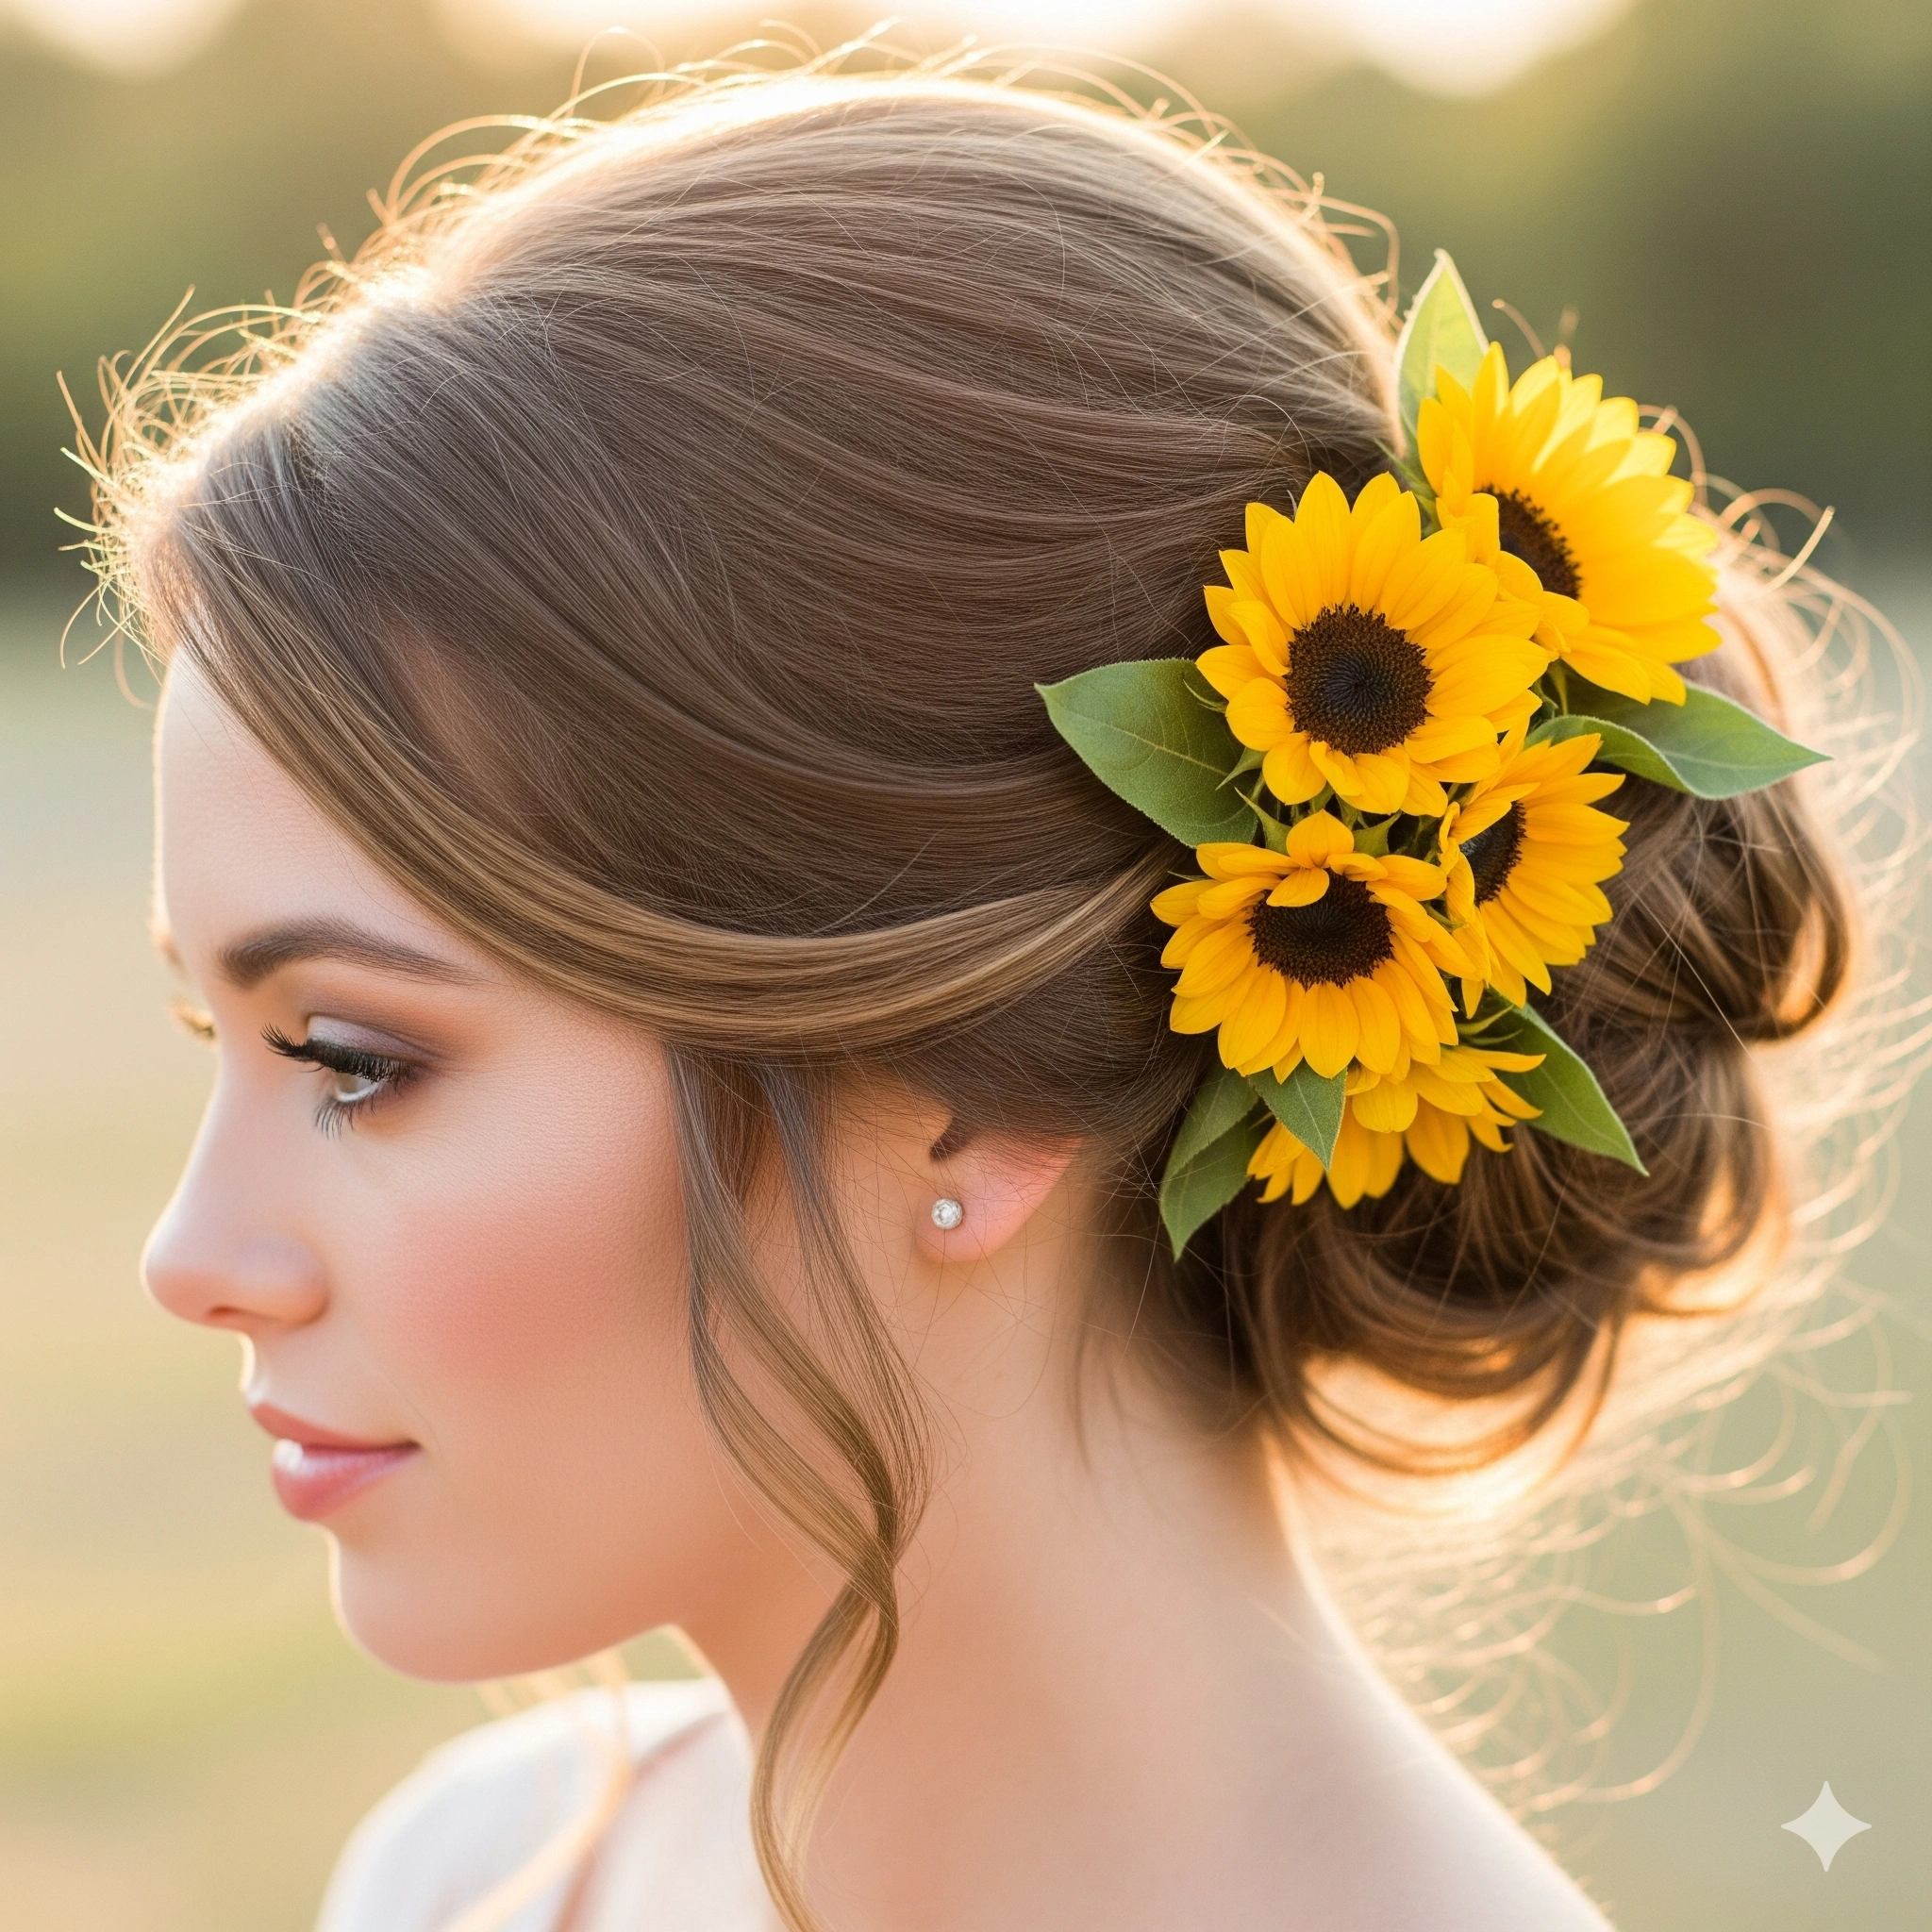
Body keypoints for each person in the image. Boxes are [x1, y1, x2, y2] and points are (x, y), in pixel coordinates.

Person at [100, 58, 1870, 1932]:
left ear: (963, 1087)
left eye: (357, 1062)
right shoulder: (482, 1873)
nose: (192, 1252)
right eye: (220, 1039)